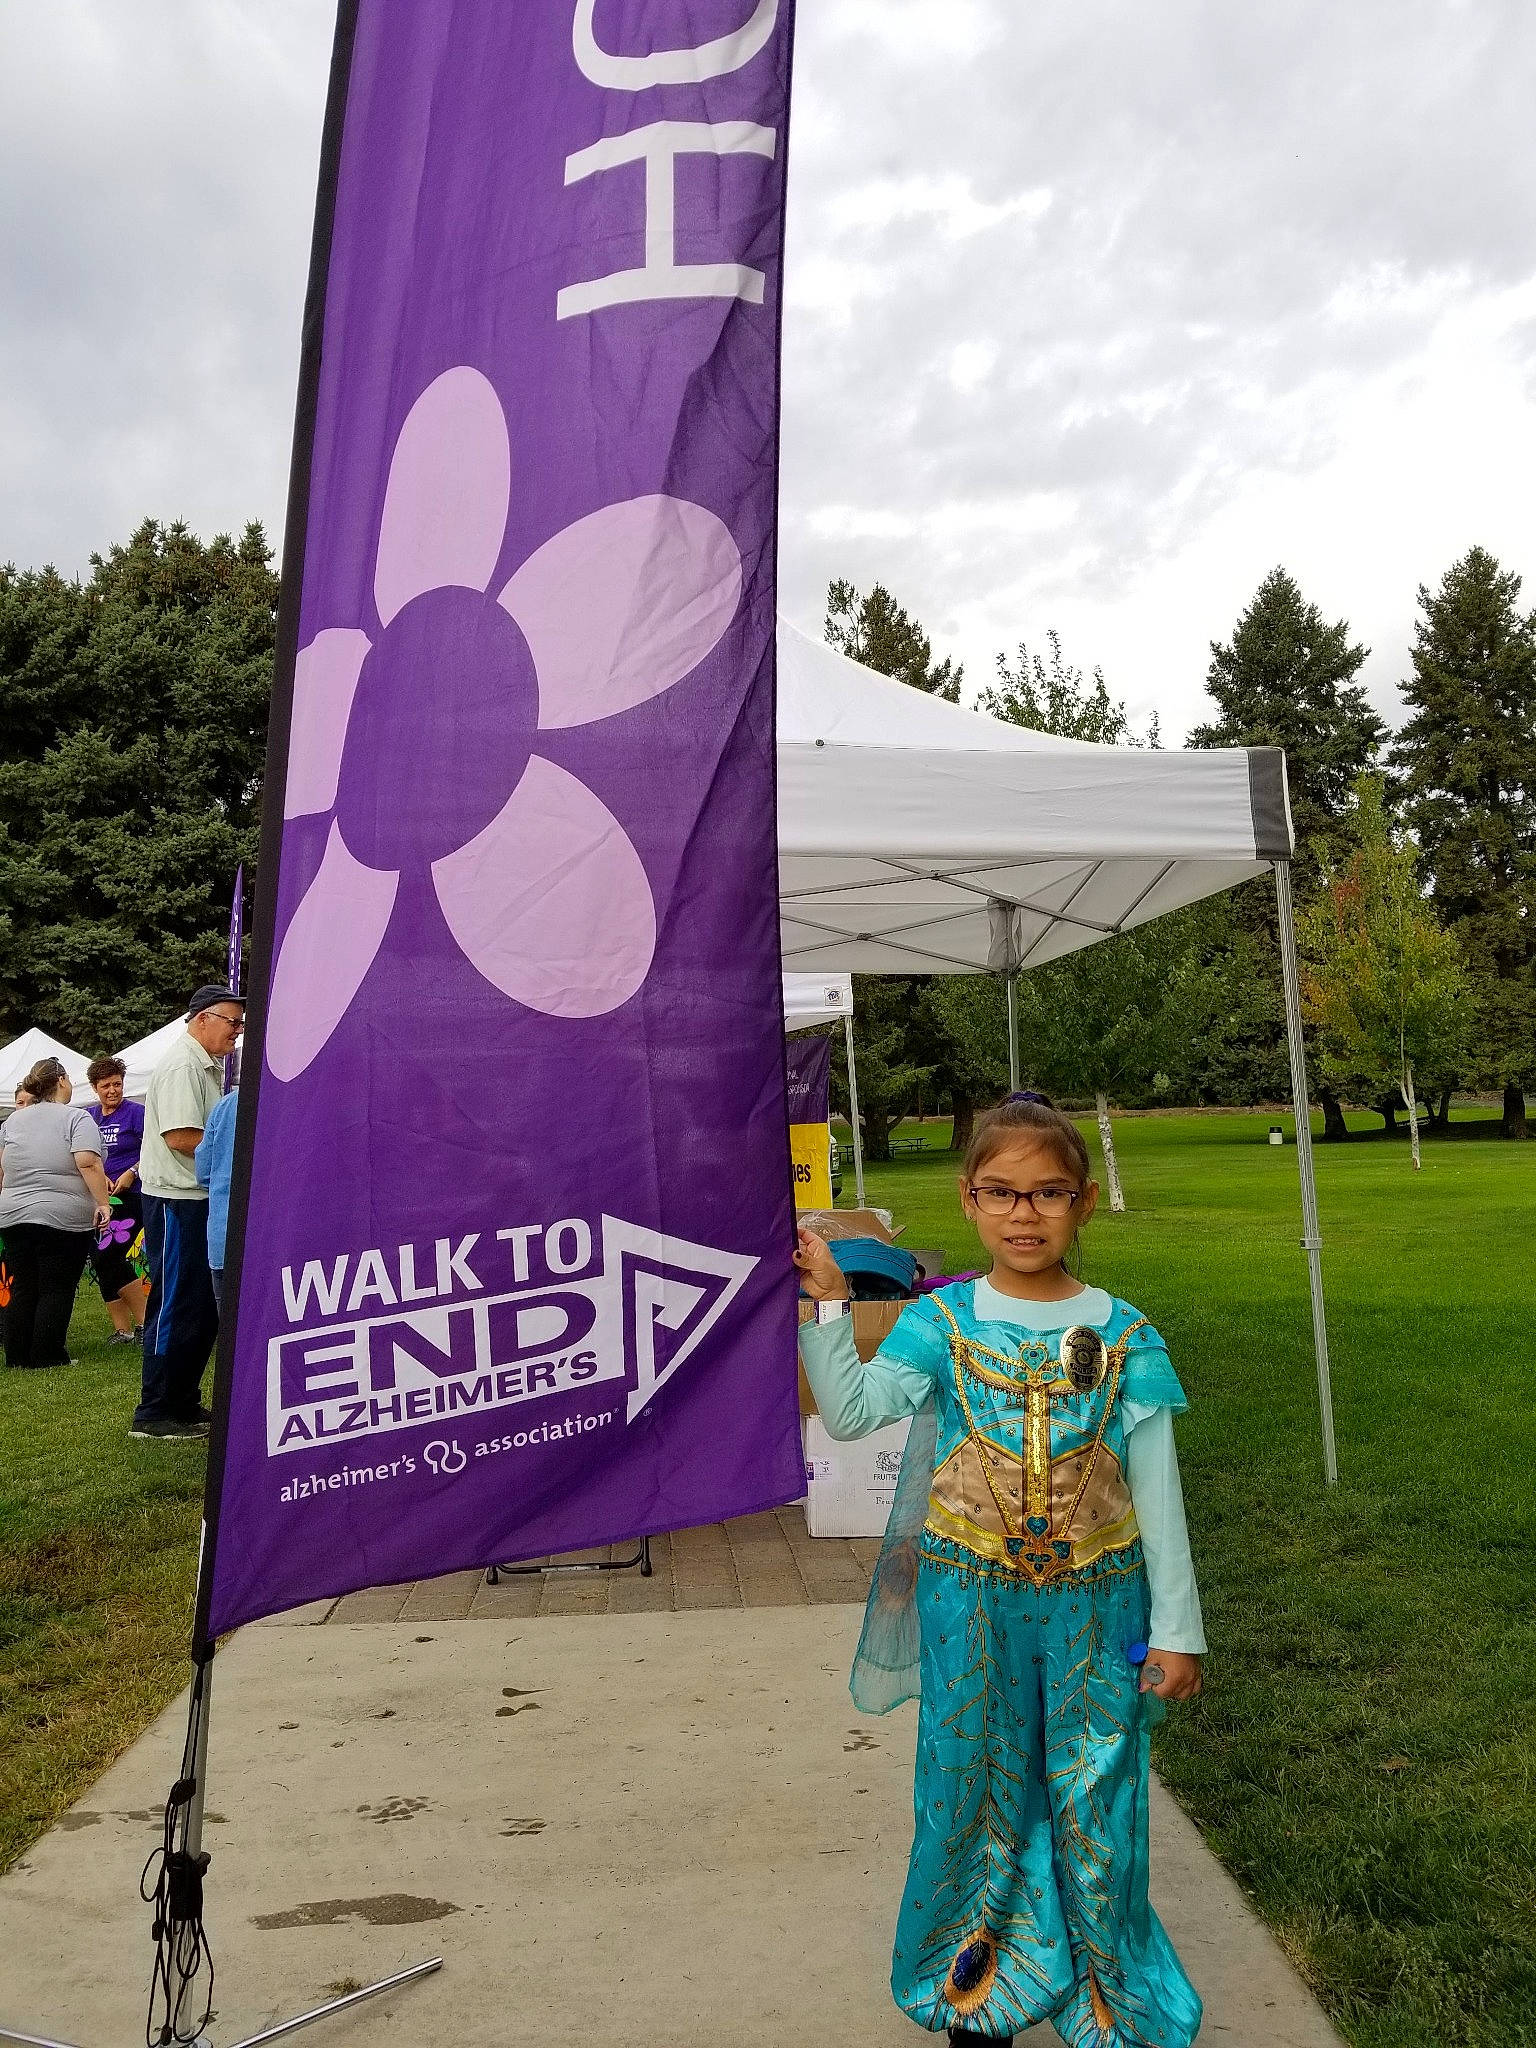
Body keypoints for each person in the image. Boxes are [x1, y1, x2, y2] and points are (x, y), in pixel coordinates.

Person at [795, 1097, 1205, 2048]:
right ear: (969, 1201)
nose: (1026, 1214)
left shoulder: (1127, 1334)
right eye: (1003, 1192)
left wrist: (1179, 1629)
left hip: (1098, 1607)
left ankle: (1106, 1998)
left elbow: (1158, 1494)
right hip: (968, 1605)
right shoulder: (941, 1321)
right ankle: (975, 1991)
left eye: (1048, 1193)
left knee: (1092, 1789)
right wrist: (826, 1299)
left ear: (1084, 1203)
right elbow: (853, 1416)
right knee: (970, 1782)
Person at [132, 985, 244, 1440]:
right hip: (177, 1201)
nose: (237, 1032)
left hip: (195, 1200)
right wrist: (235, 1151)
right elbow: (180, 1137)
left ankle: (182, 1401)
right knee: (175, 1304)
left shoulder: (207, 1064)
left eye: (240, 1024)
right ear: (202, 1019)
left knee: (198, 1307)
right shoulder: (183, 1065)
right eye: (231, 1022)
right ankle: (155, 1410)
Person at [0, 1057, 113, 1370]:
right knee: (56, 1286)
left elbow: (2, 1167)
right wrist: (102, 1203)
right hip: (61, 1216)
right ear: (63, 1080)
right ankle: (48, 1355)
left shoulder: (12, 1122)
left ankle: (17, 1356)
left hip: (13, 1214)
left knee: (23, 1284)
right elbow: (88, 1162)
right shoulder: (76, 1118)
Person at [84, 1054, 149, 1344]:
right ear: (94, 1088)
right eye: (106, 1086)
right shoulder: (88, 1117)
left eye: (117, 1084)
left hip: (131, 1196)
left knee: (109, 1255)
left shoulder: (136, 1113)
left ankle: (147, 1323)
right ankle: (121, 1329)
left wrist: (132, 1173)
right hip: (100, 1199)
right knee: (101, 1260)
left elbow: (153, 1150)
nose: (112, 1091)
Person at [195, 1082, 239, 1313]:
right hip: (275, 1240)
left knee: (229, 1322)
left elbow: (203, 1173)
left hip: (224, 1234)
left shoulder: (224, 1106)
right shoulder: (291, 1104)